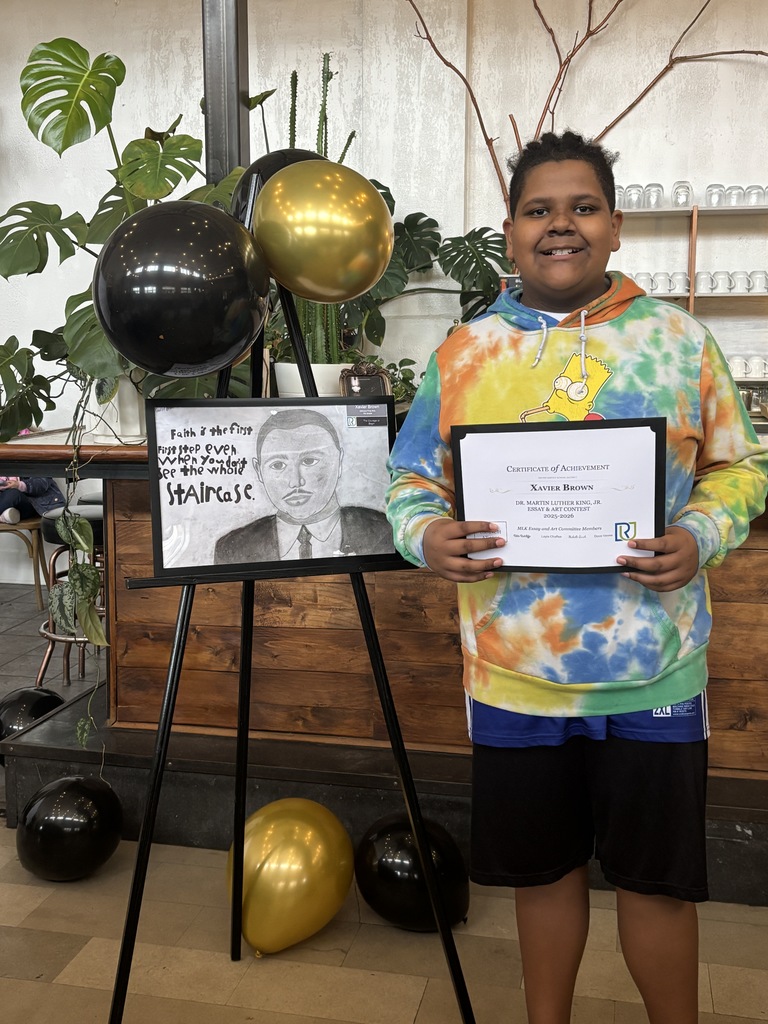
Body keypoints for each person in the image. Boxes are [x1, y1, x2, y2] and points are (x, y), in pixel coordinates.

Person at [386, 130, 768, 1024]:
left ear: (616, 225)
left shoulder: (679, 341)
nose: (562, 225)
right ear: (512, 231)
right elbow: (410, 480)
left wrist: (701, 534)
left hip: (656, 671)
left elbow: (741, 467)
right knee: (543, 875)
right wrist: (429, 536)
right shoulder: (466, 352)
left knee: (656, 884)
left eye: (582, 206)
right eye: (539, 209)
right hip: (518, 678)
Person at [214, 408, 394, 563]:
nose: (295, 481)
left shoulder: (386, 532)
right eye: (277, 465)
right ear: (258, 470)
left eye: (309, 461)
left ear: (338, 462)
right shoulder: (232, 548)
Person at [0, 475, 65, 524]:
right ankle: (5, 516)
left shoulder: (33, 458)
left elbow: (42, 483)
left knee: (13, 494)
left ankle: (5, 515)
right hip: (5, 501)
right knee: (11, 494)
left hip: (32, 503)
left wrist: (19, 485)